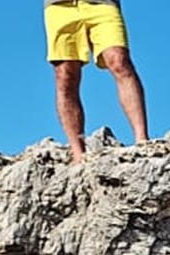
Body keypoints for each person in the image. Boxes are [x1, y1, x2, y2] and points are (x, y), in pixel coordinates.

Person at [43, 0, 149, 163]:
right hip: (60, 6)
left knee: (119, 61)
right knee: (65, 75)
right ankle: (78, 155)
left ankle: (142, 140)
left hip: (103, 3)